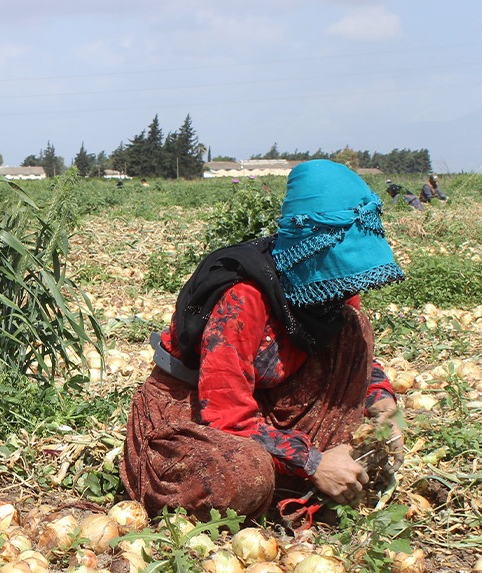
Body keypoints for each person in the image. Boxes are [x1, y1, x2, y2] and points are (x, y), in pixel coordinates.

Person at [120, 159, 406, 519]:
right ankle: (292, 480)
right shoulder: (244, 298)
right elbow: (226, 415)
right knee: (245, 476)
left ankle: (308, 478)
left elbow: (361, 365)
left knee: (353, 325)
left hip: (263, 405)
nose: (346, 284)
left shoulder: (332, 287)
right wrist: (312, 461)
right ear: (309, 252)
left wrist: (382, 407)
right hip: (193, 416)